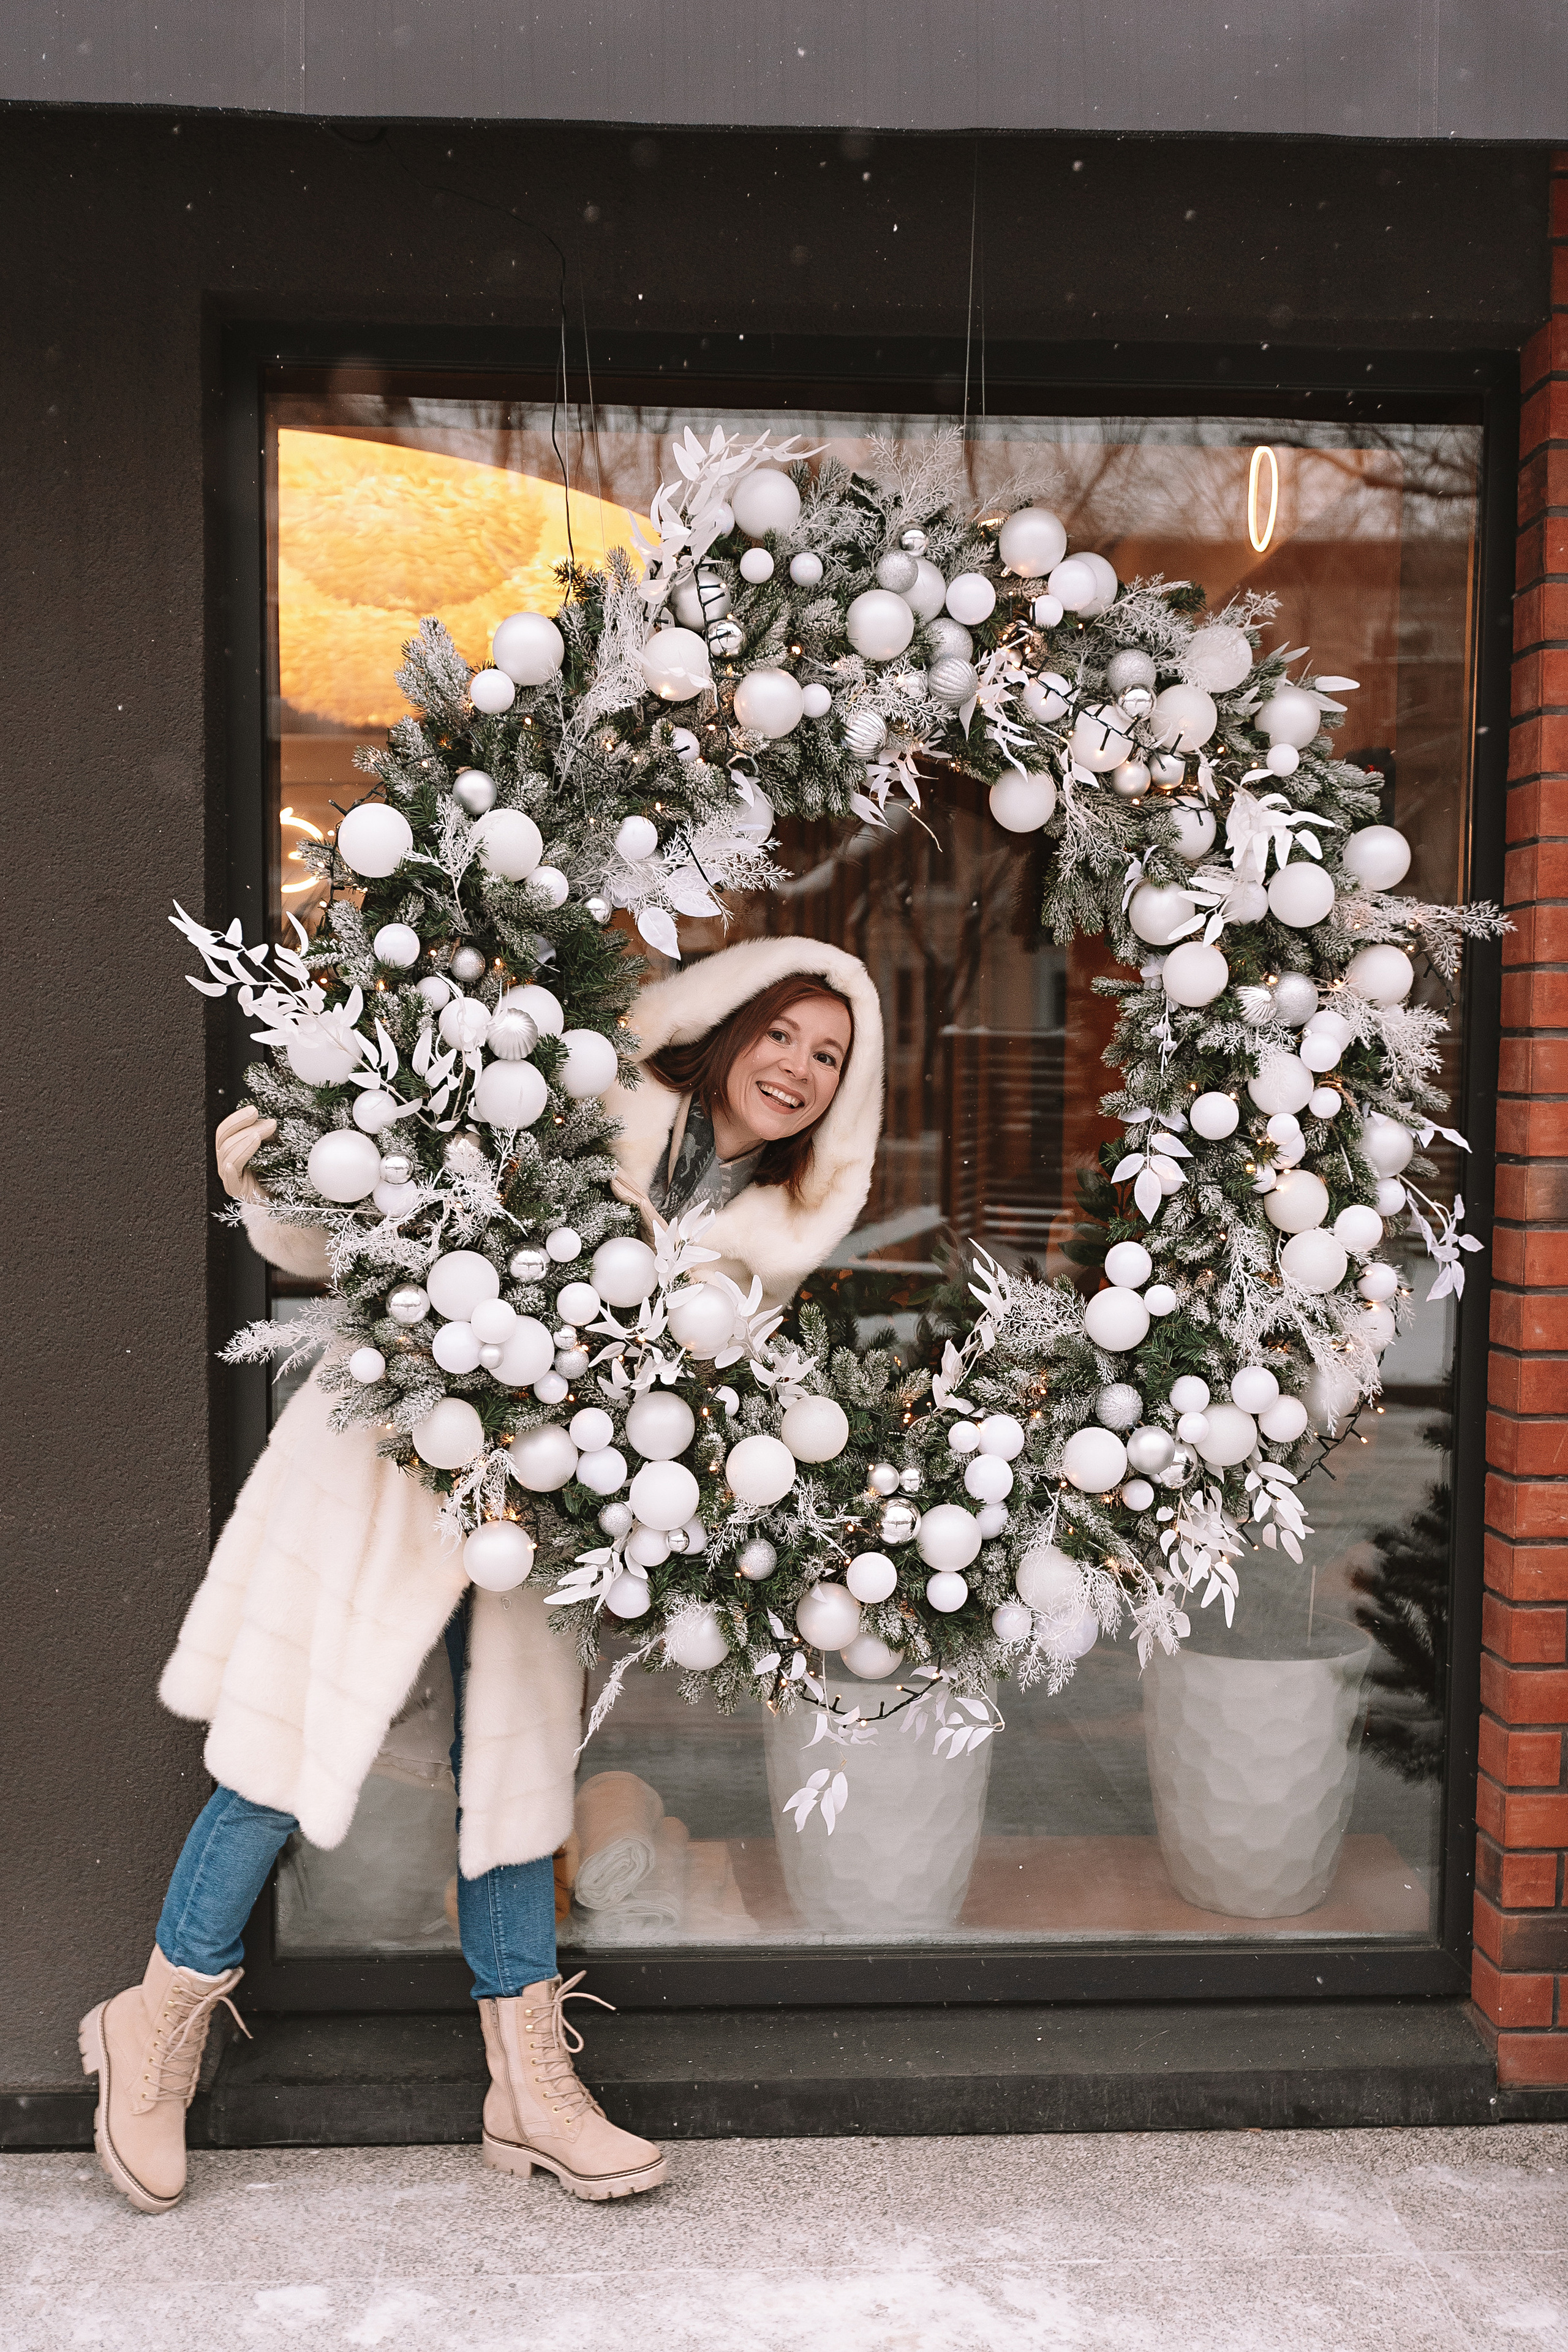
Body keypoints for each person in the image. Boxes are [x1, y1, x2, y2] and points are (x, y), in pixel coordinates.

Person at [80, 937, 883, 2215]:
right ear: (729, 1024)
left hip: (535, 1522)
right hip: (397, 1465)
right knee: (287, 1745)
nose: (796, 1067)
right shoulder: (584, 1096)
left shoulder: (770, 1241)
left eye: (828, 1056)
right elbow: (399, 1221)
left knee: (511, 1785)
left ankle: (527, 2087)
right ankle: (158, 2017)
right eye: (781, 1033)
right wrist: (291, 1177)